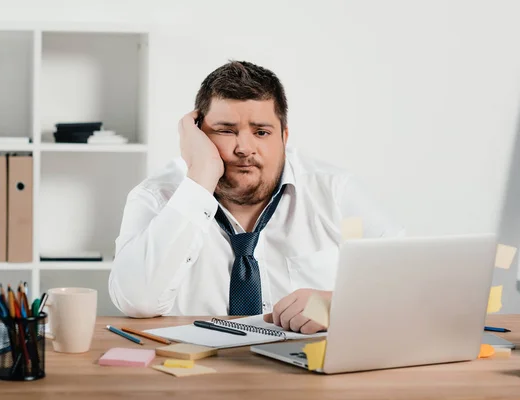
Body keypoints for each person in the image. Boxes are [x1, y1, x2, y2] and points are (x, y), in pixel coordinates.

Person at [108, 60, 404, 333]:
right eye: (226, 131)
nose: (244, 148)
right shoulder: (156, 196)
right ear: (197, 135)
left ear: (284, 138)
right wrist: (200, 177)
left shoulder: (334, 193)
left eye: (261, 132)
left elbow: (408, 281)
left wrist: (340, 305)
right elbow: (137, 301)